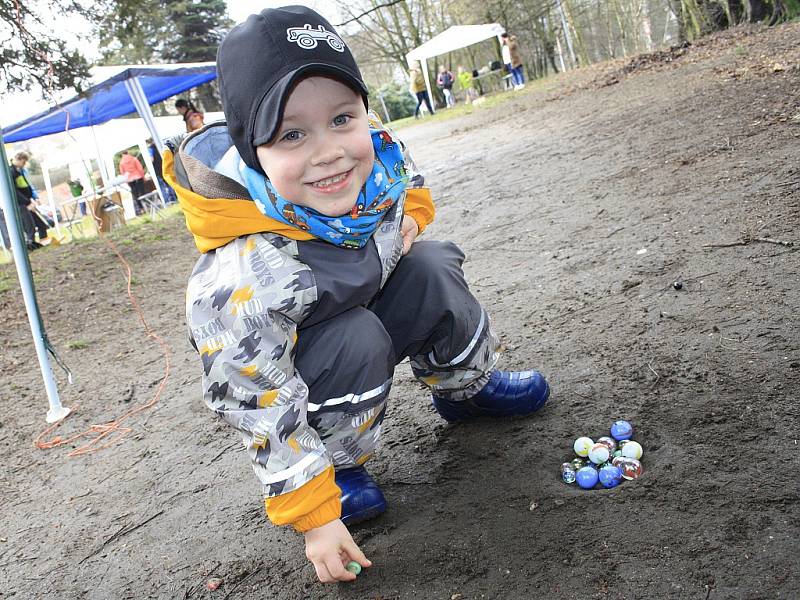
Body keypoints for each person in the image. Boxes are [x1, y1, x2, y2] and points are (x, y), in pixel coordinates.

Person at [163, 6, 549, 585]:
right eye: (292, 134)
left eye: (342, 118)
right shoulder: (243, 272)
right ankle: (338, 468)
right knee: (355, 334)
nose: (330, 152)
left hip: (365, 299)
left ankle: (466, 389)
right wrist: (313, 514)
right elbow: (252, 396)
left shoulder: (372, 161)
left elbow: (400, 171)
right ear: (252, 154)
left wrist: (413, 212)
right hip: (317, 363)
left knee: (433, 266)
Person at [8, 151, 47, 250]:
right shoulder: (11, 172)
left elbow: (25, 186)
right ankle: (31, 246)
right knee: (30, 227)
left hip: (27, 202)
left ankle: (44, 242)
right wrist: (27, 202)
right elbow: (15, 191)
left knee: (41, 224)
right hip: (21, 205)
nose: (24, 165)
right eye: (24, 162)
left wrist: (33, 198)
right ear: (19, 159)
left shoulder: (20, 171)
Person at [146, 138, 177, 204]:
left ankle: (167, 201)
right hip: (165, 167)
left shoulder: (150, 149)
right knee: (170, 183)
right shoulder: (160, 146)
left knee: (162, 187)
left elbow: (151, 159)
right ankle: (175, 197)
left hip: (158, 170)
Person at [118, 149, 146, 215]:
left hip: (130, 180)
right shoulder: (133, 159)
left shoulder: (121, 163)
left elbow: (123, 174)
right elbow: (140, 168)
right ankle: (147, 206)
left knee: (135, 195)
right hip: (138, 177)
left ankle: (141, 209)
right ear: (127, 152)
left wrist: (127, 182)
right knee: (142, 193)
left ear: (122, 154)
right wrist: (143, 176)